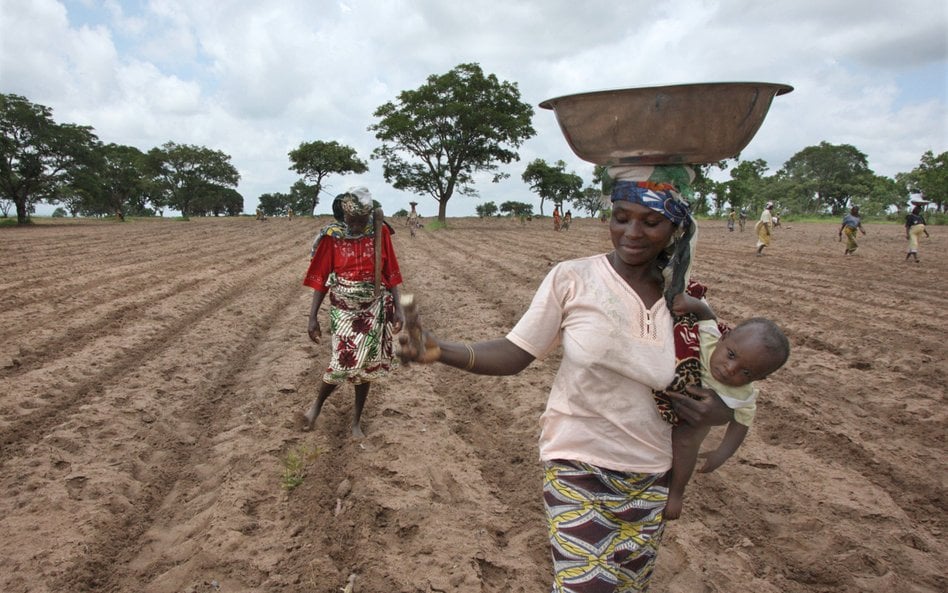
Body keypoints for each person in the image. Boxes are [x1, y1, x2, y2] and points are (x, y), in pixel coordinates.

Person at [398, 165, 734, 592]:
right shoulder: (573, 277)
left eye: (650, 222)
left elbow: (730, 388)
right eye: (621, 217)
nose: (631, 232)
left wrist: (715, 410)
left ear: (675, 228)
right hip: (577, 463)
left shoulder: (688, 304)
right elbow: (517, 351)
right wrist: (441, 350)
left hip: (651, 474)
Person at [661, 291, 790, 520]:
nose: (731, 369)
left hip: (691, 423)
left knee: (686, 442)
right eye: (731, 355)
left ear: (759, 379)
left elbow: (741, 424)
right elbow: (707, 315)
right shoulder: (708, 338)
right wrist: (690, 303)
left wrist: (723, 453)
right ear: (724, 337)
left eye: (746, 372)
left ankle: (676, 494)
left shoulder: (743, 394)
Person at [301, 187, 405, 437]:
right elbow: (321, 277)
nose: (357, 226)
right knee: (342, 361)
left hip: (374, 307)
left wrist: (399, 309)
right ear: (344, 215)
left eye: (362, 221)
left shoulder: (379, 231)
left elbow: (391, 271)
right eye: (352, 220)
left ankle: (356, 421)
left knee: (367, 367)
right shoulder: (332, 236)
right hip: (343, 310)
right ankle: (316, 407)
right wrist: (312, 317)